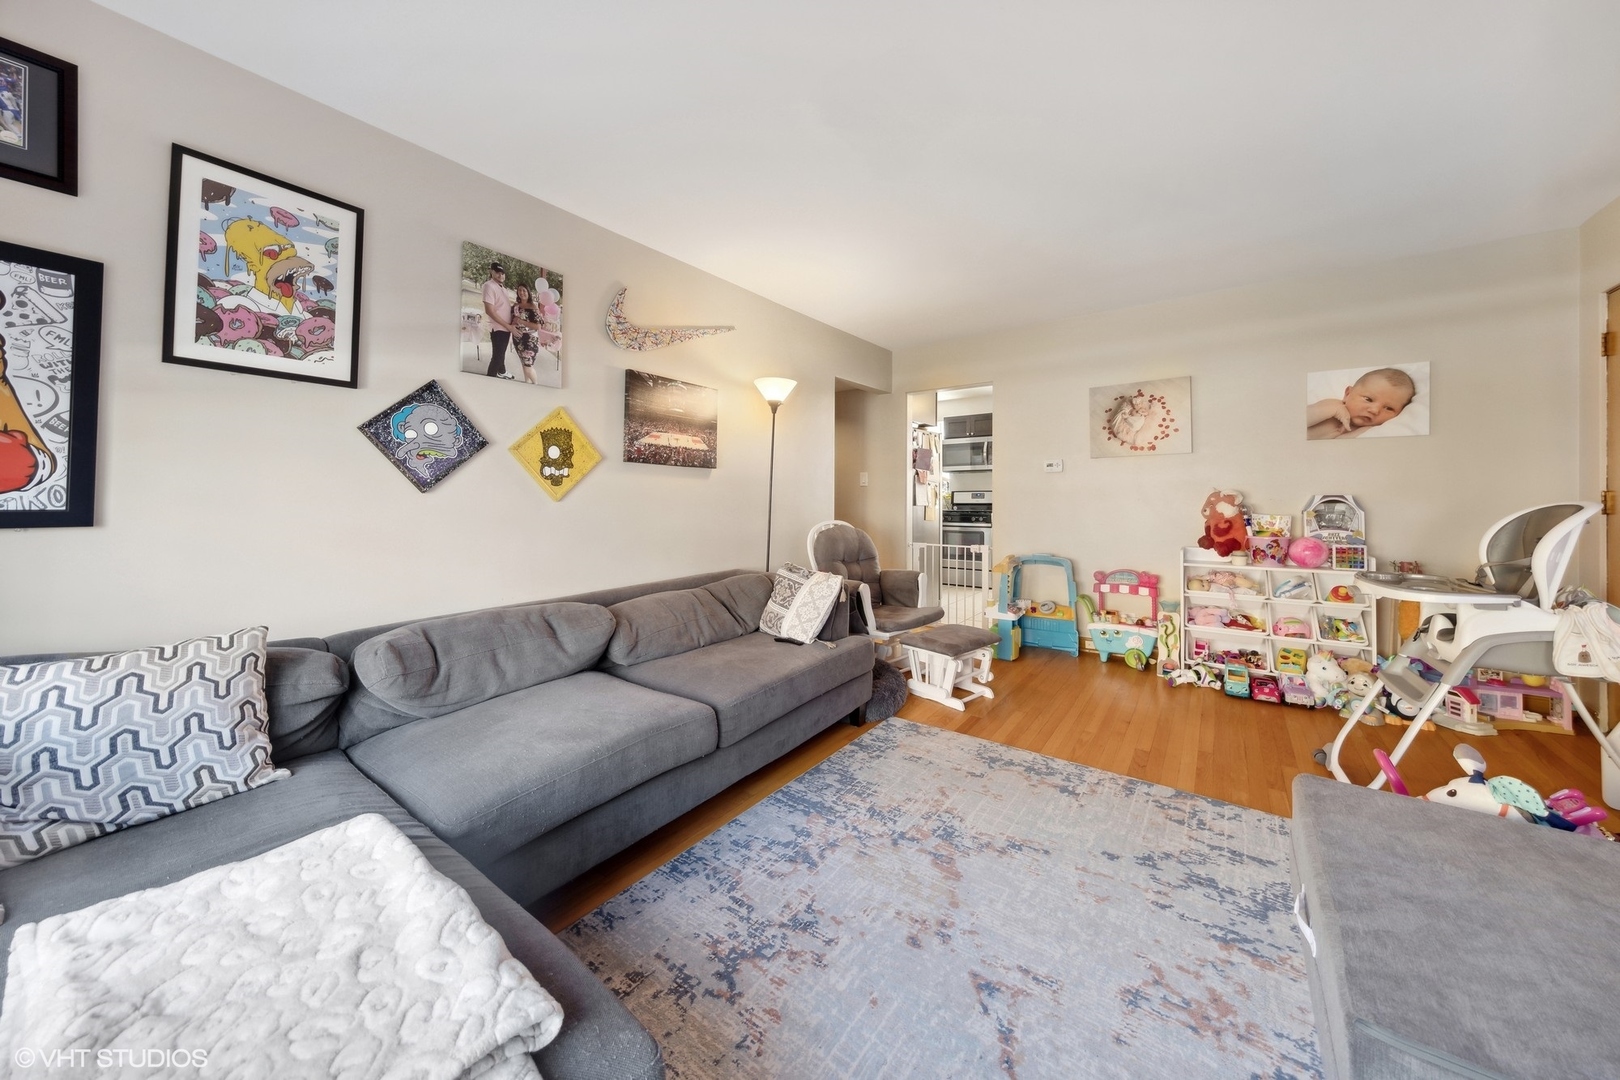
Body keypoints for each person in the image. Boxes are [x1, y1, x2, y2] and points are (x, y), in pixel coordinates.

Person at [1306, 367, 1416, 440]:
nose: (1375, 410)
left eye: (1389, 408)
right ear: (1348, 394)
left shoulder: (1368, 431)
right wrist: (1330, 411)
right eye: (1368, 399)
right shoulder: (1332, 405)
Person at [482, 262, 516, 379]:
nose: (500, 275)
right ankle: (489, 379)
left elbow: (503, 307)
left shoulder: (503, 288)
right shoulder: (489, 286)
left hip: (505, 328)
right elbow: (489, 311)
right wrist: (508, 326)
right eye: (497, 272)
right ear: (491, 271)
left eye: (502, 273)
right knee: (497, 357)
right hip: (498, 328)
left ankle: (502, 371)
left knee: (500, 353)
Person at [511, 284, 542, 385]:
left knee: (528, 365)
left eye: (524, 290)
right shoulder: (515, 306)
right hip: (517, 338)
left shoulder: (533, 307)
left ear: (528, 292)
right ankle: (527, 384)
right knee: (524, 363)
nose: (522, 292)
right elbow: (511, 320)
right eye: (519, 290)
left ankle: (536, 385)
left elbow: (538, 326)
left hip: (530, 340)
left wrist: (521, 321)